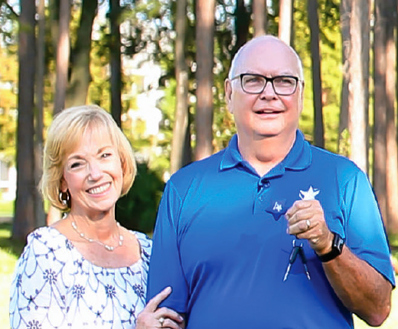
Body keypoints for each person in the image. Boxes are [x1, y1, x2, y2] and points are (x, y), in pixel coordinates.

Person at [147, 35, 395, 328]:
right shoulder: (184, 189)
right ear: (229, 93)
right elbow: (166, 317)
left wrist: (328, 245)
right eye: (253, 80)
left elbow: (378, 309)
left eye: (284, 81)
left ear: (300, 94)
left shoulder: (345, 180)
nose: (269, 93)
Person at [9, 105, 183, 329]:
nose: (95, 173)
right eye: (77, 163)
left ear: (121, 163)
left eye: (104, 155)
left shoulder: (148, 253)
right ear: (62, 180)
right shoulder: (46, 253)